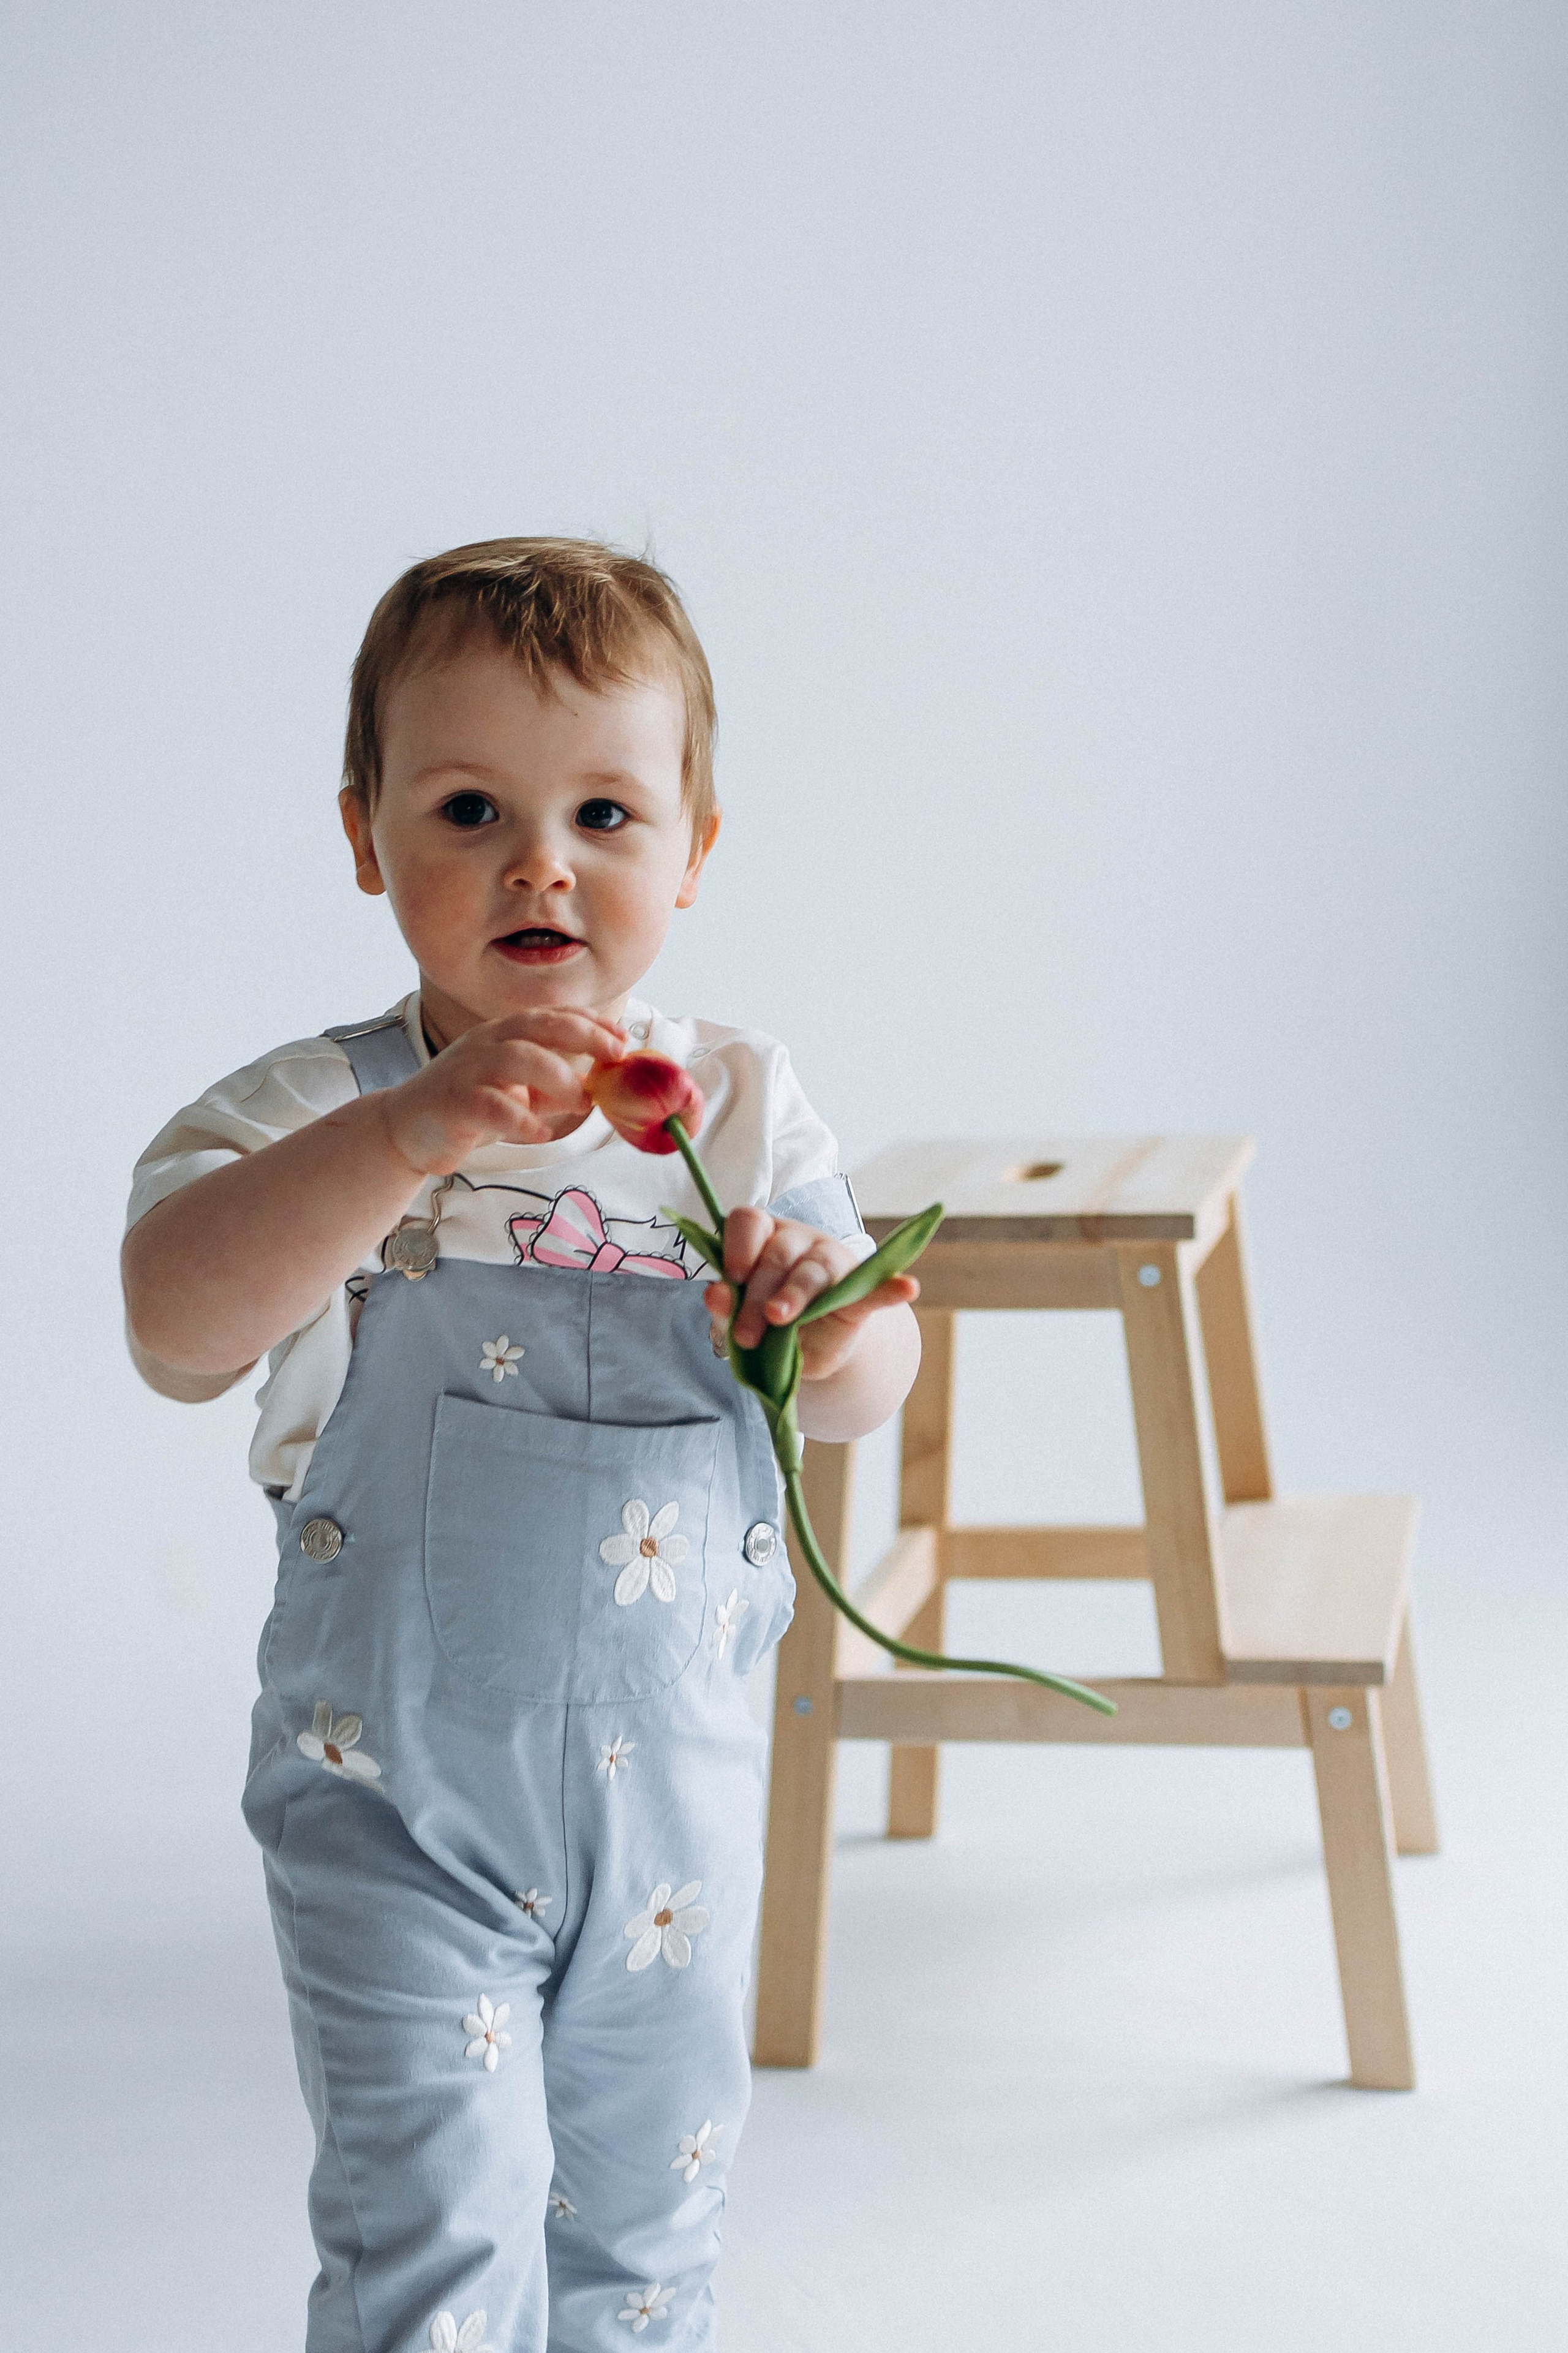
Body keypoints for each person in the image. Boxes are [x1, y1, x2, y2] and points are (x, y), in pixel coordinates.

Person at [121, 538, 921, 2353]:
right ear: (364, 838)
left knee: (642, 2244)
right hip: (395, 1800)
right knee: (435, 2244)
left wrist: (817, 1309)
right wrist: (406, 1134)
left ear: (696, 848)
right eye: (470, 807)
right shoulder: (317, 1110)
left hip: (677, 1822)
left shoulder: (734, 1106)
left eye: (606, 812)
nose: (539, 861)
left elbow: (876, 1388)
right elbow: (174, 1322)